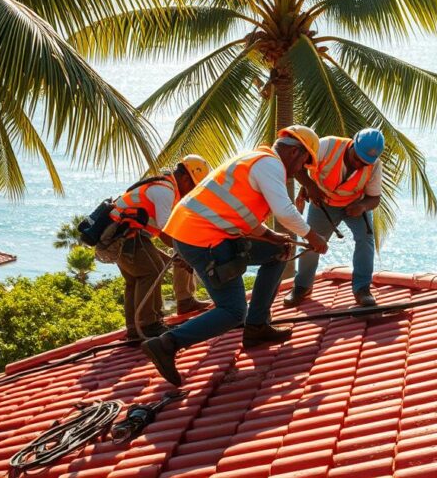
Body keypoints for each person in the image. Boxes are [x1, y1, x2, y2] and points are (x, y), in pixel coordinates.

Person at [141, 126, 330, 386]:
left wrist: (269, 235)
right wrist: (313, 236)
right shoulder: (269, 165)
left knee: (278, 251)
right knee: (232, 310)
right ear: (295, 152)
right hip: (202, 239)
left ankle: (257, 327)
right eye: (303, 162)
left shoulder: (256, 161)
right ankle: (167, 344)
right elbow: (285, 211)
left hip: (203, 232)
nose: (300, 169)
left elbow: (237, 211)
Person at [109, 155, 211, 339]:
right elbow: (166, 231)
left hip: (118, 237)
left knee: (139, 276)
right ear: (186, 179)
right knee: (151, 271)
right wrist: (186, 253)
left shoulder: (164, 185)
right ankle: (149, 325)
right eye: (193, 187)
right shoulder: (165, 191)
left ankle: (134, 329)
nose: (191, 192)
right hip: (128, 236)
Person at [283, 128, 385, 308]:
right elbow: (295, 166)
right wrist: (310, 186)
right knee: (312, 242)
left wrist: (361, 206)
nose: (359, 165)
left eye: (364, 163)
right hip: (323, 204)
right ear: (352, 145)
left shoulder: (375, 165)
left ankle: (362, 289)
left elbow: (374, 198)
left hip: (354, 204)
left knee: (366, 239)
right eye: (357, 159)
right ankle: (302, 286)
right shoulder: (327, 145)